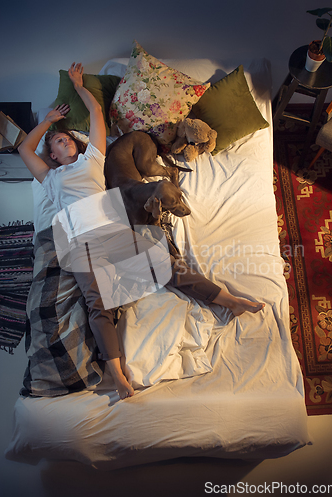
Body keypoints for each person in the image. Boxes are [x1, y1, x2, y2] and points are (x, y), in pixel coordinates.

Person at [19, 62, 265, 400]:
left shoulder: (92, 158)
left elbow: (95, 115)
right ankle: (119, 376)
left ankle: (228, 300)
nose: (67, 140)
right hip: (77, 243)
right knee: (98, 304)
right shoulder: (51, 179)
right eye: (60, 142)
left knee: (166, 266)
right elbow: (23, 150)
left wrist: (79, 86)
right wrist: (47, 122)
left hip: (109, 229)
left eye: (67, 136)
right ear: (53, 155)